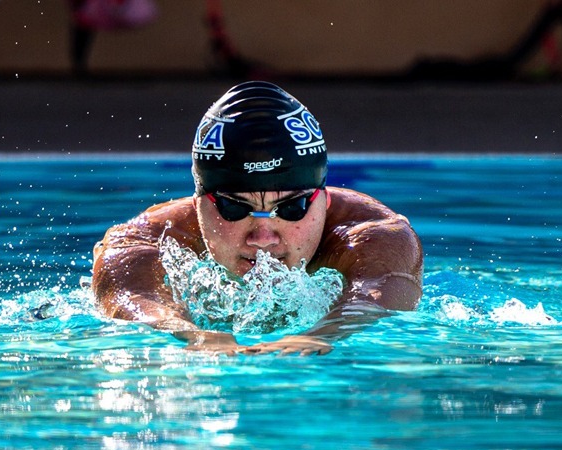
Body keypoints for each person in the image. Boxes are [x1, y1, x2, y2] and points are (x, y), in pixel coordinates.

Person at [92, 81, 423, 355]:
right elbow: (129, 298)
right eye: (234, 208)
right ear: (199, 205)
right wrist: (188, 333)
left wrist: (323, 334)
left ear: (323, 199)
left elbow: (380, 295)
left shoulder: (375, 235)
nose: (263, 236)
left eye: (291, 208)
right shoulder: (151, 237)